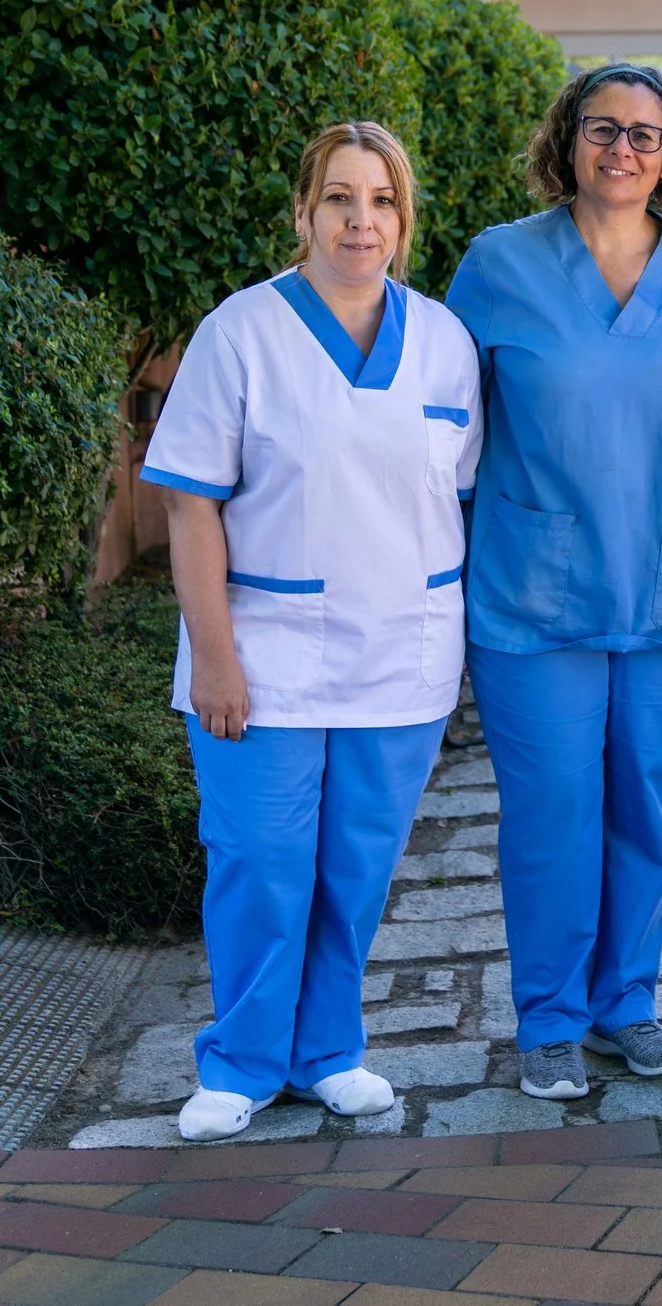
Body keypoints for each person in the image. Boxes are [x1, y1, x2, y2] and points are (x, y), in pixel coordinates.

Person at [143, 121, 482, 1141]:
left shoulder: (444, 341)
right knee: (258, 858)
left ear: (403, 219)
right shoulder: (240, 332)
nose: (360, 220)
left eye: (381, 201)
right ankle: (242, 1060)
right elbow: (190, 502)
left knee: (355, 868)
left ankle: (329, 1049)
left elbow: (454, 494)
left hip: (403, 651)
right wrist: (214, 653)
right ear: (303, 210)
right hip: (265, 654)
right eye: (340, 197)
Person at [446, 64, 662, 1103]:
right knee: (551, 807)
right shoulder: (498, 264)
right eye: (602, 130)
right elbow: (443, 424)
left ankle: (628, 1003)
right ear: (567, 140)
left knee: (650, 803)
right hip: (536, 591)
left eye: (646, 136)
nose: (623, 150)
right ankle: (551, 1017)